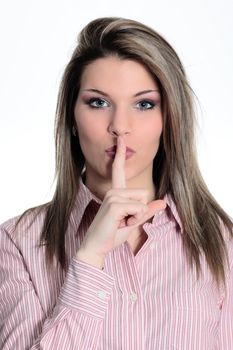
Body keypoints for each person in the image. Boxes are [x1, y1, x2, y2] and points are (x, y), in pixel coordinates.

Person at [0, 17, 232, 350]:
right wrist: (91, 256)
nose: (120, 126)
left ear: (169, 120)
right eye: (98, 102)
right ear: (72, 119)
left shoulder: (220, 244)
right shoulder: (17, 243)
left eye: (144, 104)